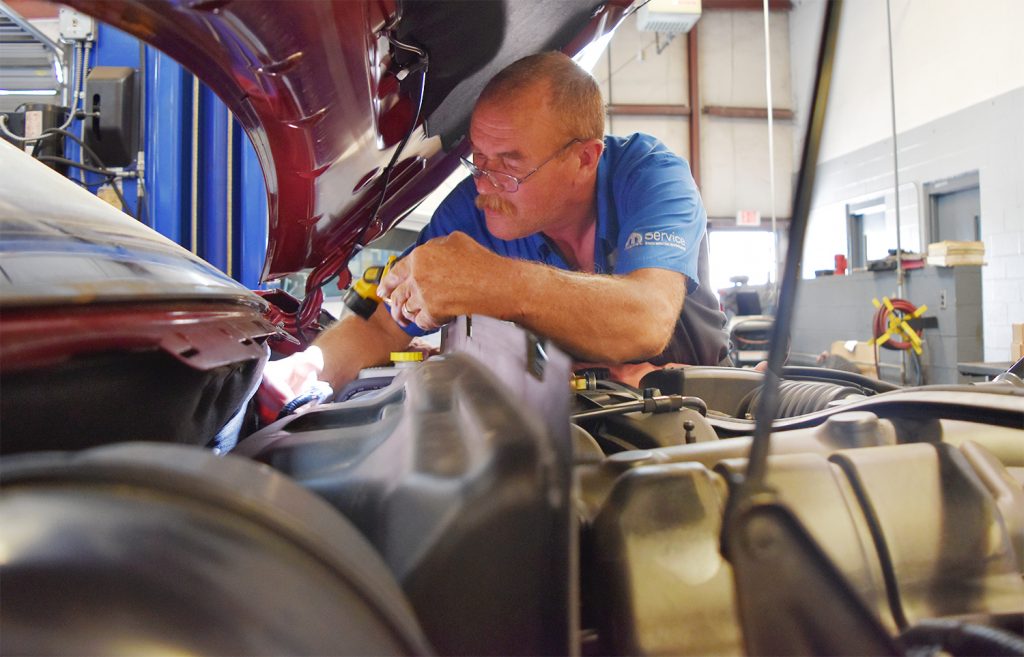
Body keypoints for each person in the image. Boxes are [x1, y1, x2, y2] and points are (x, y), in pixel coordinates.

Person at [263, 51, 727, 408]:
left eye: (508, 166)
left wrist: (494, 282)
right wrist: (310, 367)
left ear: (584, 158)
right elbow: (379, 317)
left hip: (699, 404)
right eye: (477, 159)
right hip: (565, 413)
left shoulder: (649, 176)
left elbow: (645, 324)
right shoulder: (470, 210)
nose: (483, 184)